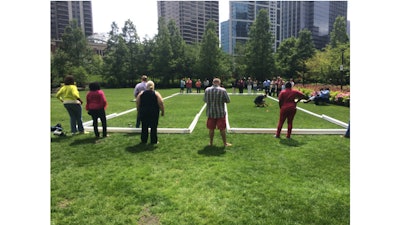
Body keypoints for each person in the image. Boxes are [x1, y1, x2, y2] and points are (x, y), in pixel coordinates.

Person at [203, 78, 232, 147]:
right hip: (220, 112)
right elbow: (228, 100)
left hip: (210, 112)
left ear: (213, 83)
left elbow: (205, 100)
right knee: (222, 129)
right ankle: (225, 143)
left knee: (211, 129)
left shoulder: (207, 90)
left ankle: (211, 143)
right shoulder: (223, 90)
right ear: (219, 83)